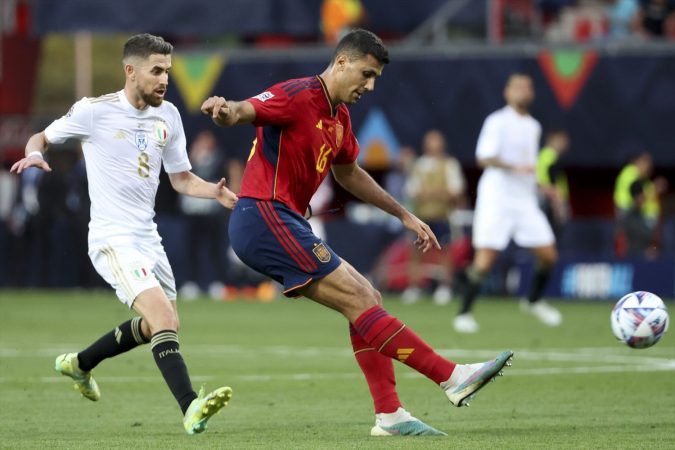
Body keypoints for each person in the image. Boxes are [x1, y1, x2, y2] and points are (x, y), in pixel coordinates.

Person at [201, 29, 513, 437]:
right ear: (342, 62)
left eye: (376, 79)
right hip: (263, 215)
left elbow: (349, 174)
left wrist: (404, 214)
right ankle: (451, 377)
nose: (370, 85)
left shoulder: (340, 119)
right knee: (359, 298)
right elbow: (242, 111)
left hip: (284, 220)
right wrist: (224, 111)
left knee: (367, 298)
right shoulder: (297, 94)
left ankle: (390, 416)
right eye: (366, 74)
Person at [10, 33, 237, 435]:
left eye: (167, 71)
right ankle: (191, 407)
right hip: (112, 238)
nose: (165, 79)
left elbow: (181, 179)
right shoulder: (94, 112)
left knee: (159, 326)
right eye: (156, 71)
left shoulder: (168, 116)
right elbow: (42, 136)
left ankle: (79, 364)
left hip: (148, 238)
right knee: (163, 317)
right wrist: (34, 153)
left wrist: (215, 192)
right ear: (130, 71)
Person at [454, 73, 562, 334]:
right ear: (507, 93)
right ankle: (464, 313)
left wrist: (543, 186)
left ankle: (533, 301)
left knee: (549, 255)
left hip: (524, 200)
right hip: (497, 198)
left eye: (527, 87)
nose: (523, 91)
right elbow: (484, 158)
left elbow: (531, 166)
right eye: (518, 87)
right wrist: (514, 166)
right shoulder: (497, 121)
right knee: (485, 260)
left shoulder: (534, 126)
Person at [402, 130, 466, 305]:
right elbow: (412, 191)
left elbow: (456, 191)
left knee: (444, 251)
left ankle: (445, 287)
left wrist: (432, 194)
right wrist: (437, 194)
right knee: (416, 251)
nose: (433, 146)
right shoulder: (418, 166)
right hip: (421, 218)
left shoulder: (449, 164)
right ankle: (414, 287)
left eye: (436, 142)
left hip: (442, 216)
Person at [178, 129, 229, 300]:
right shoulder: (188, 158)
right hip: (192, 211)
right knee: (191, 248)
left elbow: (223, 178)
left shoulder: (219, 158)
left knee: (215, 248)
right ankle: (190, 282)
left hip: (212, 211)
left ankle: (216, 282)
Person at [613, 151, 668, 257]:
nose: (649, 167)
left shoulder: (644, 180)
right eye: (646, 163)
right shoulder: (630, 175)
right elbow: (638, 199)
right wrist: (655, 189)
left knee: (651, 250)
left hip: (643, 221)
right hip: (630, 218)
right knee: (633, 250)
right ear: (637, 162)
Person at [536, 128, 570, 239]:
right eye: (562, 140)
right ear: (552, 140)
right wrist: (558, 202)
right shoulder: (548, 157)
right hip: (549, 203)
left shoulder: (549, 156)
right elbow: (544, 182)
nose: (565, 144)